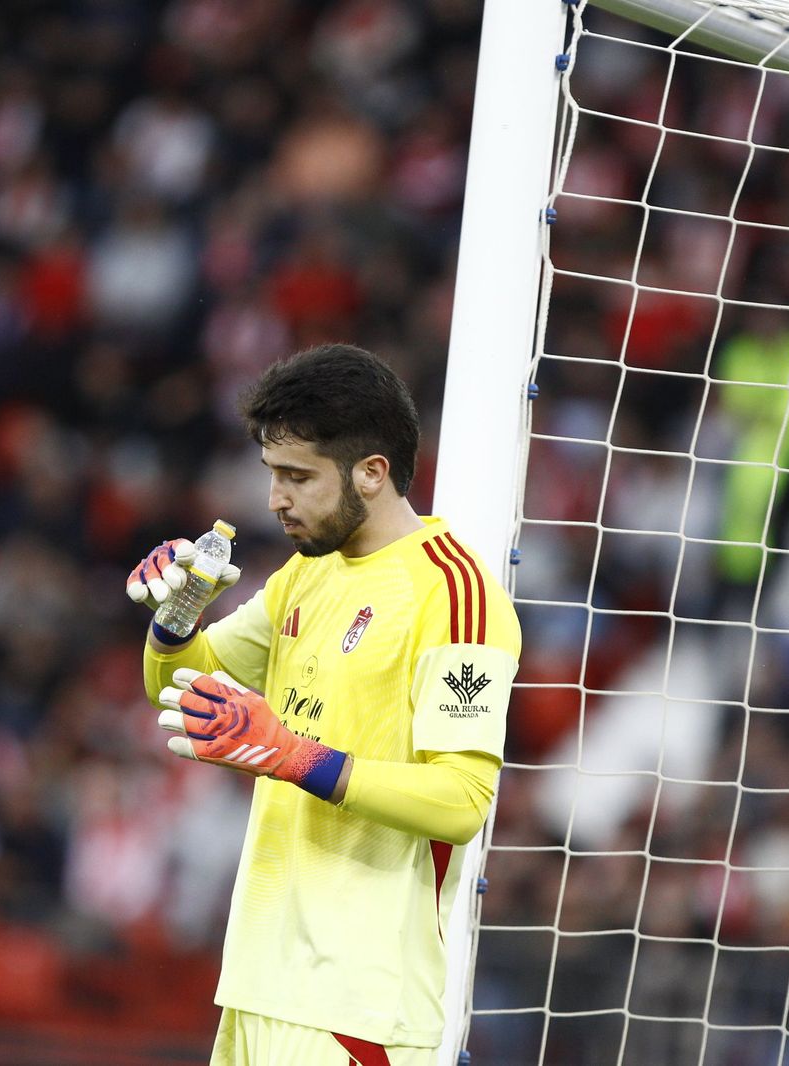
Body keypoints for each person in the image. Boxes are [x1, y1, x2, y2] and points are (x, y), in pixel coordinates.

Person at [126, 344, 521, 1065]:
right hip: (258, 981)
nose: (275, 498)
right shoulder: (304, 577)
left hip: (356, 1003)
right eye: (273, 474)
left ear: (372, 472)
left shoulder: (456, 594)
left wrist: (295, 755)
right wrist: (178, 616)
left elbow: (463, 800)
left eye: (297, 477)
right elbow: (182, 686)